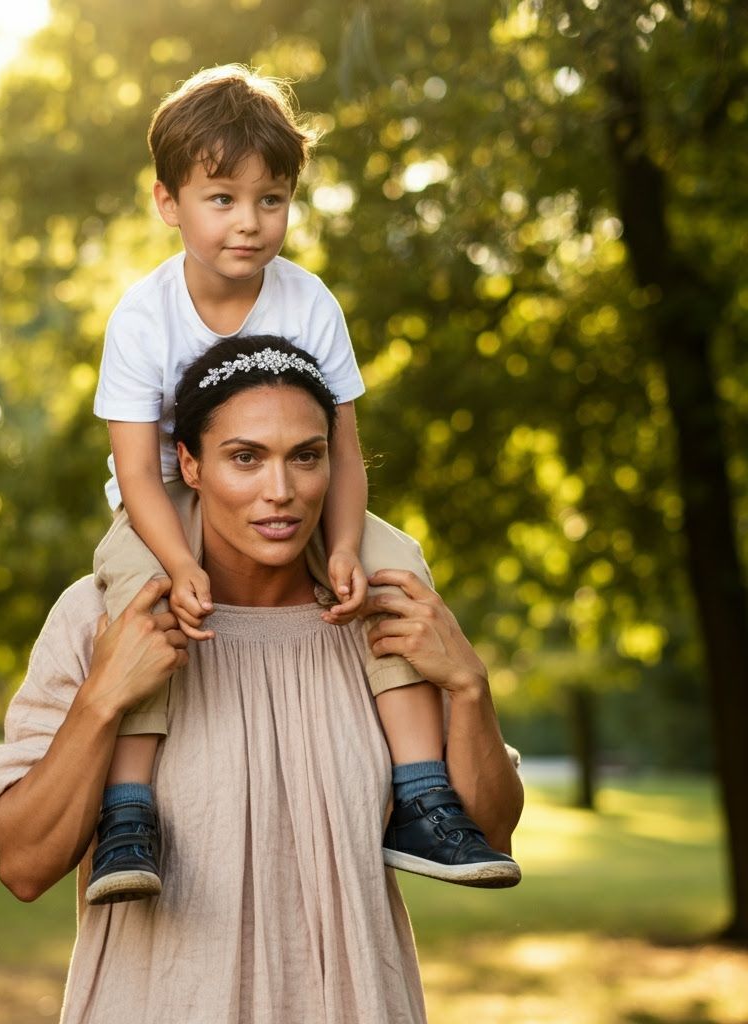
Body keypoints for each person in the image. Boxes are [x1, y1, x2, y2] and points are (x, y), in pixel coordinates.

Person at [0, 338, 524, 1023]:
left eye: (306, 456)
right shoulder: (102, 616)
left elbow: (490, 836)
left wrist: (470, 686)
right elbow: (23, 867)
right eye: (246, 457)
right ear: (192, 467)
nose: (280, 491)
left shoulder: (386, 622)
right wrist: (104, 698)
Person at [89, 65, 519, 903]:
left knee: (398, 569)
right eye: (222, 198)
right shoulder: (142, 316)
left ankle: (423, 793)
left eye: (271, 199)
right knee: (135, 596)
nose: (249, 223)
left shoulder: (310, 302)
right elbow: (138, 469)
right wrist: (180, 566)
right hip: (170, 499)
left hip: (292, 483)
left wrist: (350, 545)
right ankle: (128, 809)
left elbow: (346, 451)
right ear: (168, 203)